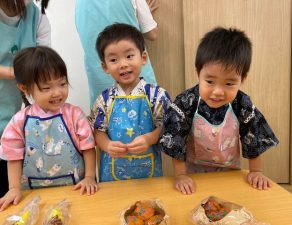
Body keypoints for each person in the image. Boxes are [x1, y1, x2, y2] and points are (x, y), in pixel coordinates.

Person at [159, 27, 279, 195]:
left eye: (229, 84)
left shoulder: (242, 104)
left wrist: (256, 172)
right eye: (209, 81)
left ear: (242, 79)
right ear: (198, 73)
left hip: (230, 173)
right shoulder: (186, 102)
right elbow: (176, 138)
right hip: (194, 175)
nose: (217, 92)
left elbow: (254, 136)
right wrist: (180, 175)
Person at [0, 46, 97, 211]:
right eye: (46, 88)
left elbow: (88, 147)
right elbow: (13, 157)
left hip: (76, 191)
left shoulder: (75, 115)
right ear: (24, 88)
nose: (57, 92)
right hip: (34, 196)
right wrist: (14, 188)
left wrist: (89, 177)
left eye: (62, 83)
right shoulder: (19, 121)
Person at [90, 23, 172, 182]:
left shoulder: (156, 95)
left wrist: (149, 139)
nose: (123, 64)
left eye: (129, 56)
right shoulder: (103, 100)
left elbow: (165, 128)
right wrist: (106, 145)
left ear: (143, 58)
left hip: (149, 176)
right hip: (112, 177)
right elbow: (98, 132)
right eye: (114, 59)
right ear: (105, 67)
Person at [0, 0, 51, 198]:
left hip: (9, 119)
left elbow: (44, 64)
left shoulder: (36, 17)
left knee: (9, 193)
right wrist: (17, 72)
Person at [75, 0, 158, 108]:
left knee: (104, 120)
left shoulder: (79, 3)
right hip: (136, 78)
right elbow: (152, 34)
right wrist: (146, 14)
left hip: (101, 82)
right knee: (150, 118)